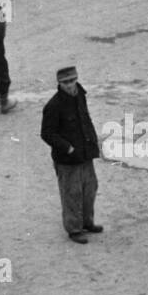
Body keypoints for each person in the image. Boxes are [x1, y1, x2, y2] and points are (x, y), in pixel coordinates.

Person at [40, 66, 102, 244]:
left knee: (90, 189)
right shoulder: (54, 105)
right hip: (67, 160)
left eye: (72, 81)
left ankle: (87, 222)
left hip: (85, 154)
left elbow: (85, 120)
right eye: (65, 82)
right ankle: (74, 229)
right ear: (59, 83)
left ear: (77, 79)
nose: (69, 85)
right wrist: (67, 148)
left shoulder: (80, 95)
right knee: (72, 193)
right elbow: (47, 133)